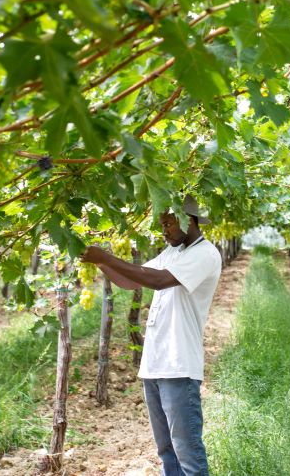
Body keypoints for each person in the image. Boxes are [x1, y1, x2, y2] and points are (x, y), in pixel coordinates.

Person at [80, 195, 221, 476]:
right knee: (167, 452)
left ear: (188, 220)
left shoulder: (204, 253)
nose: (164, 231)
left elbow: (157, 281)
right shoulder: (171, 253)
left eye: (168, 224)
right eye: (162, 224)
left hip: (179, 366)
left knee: (187, 451)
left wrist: (106, 256)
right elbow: (131, 280)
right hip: (155, 366)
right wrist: (98, 262)